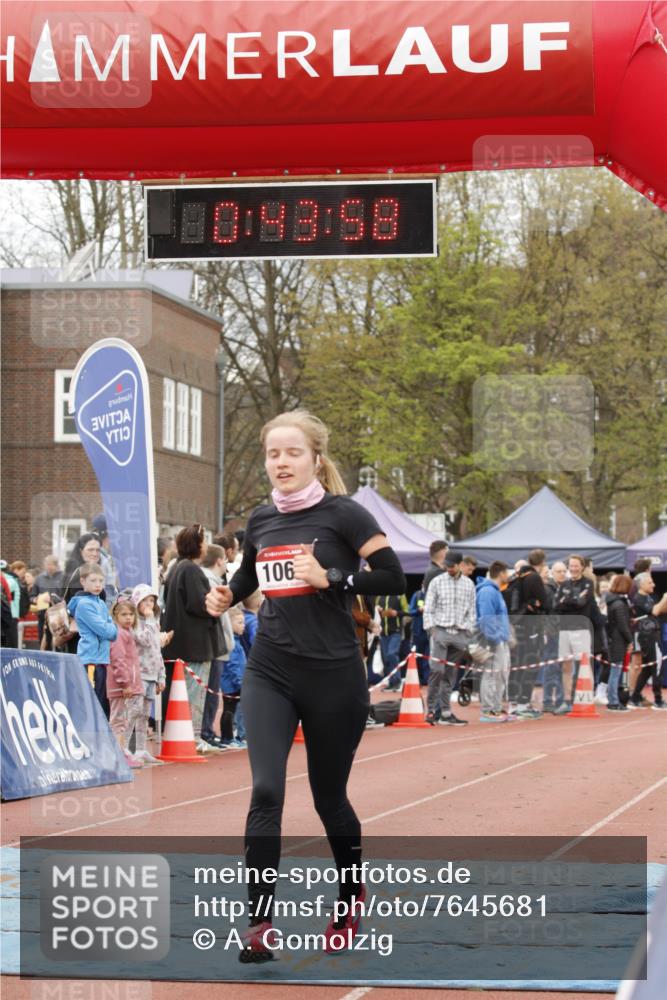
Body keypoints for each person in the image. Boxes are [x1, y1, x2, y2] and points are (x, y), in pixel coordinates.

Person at [204, 409, 405, 961]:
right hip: (271, 669)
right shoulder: (262, 518)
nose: (281, 462)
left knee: (328, 798)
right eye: (273, 454)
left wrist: (332, 578)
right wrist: (226, 594)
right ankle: (260, 923)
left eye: (293, 452)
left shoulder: (345, 514)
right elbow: (249, 574)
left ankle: (349, 897)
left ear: (316, 459)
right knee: (267, 790)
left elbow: (393, 576)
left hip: (334, 676)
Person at [162, 525, 226, 742]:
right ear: (196, 545)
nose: (206, 546)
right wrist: (217, 605)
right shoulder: (190, 570)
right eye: (203, 541)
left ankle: (183, 737)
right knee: (193, 693)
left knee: (181, 692)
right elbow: (200, 604)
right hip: (194, 645)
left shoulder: (177, 568)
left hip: (180, 643)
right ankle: (192, 738)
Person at [422, 549, 475, 726]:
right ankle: (431, 710)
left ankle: (445, 712)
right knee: (437, 671)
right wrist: (432, 630)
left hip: (460, 634)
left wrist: (468, 631)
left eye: (452, 566)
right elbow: (429, 607)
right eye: (447, 566)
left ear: (460, 565)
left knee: (450, 675)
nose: (449, 569)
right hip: (440, 631)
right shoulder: (437, 582)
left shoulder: (469, 584)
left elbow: (472, 610)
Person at [67, 562, 117, 717]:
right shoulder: (84, 605)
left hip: (101, 659)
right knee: (92, 704)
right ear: (82, 581)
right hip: (90, 660)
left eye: (101, 581)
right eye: (93, 580)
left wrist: (110, 628)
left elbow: (111, 630)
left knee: (102, 704)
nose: (98, 585)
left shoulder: (100, 603)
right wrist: (110, 627)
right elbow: (107, 630)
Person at [199, 544, 234, 752]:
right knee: (210, 692)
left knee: (211, 692)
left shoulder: (212, 581)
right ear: (219, 560)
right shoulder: (212, 583)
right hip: (216, 646)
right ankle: (206, 732)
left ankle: (207, 731)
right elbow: (219, 617)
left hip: (217, 645)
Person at [131, 584, 171, 763]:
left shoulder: (153, 623)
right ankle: (127, 749)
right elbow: (145, 640)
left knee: (145, 715)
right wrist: (149, 619)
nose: (149, 604)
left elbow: (156, 650)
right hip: (139, 674)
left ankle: (141, 750)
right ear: (137, 602)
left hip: (152, 676)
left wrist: (161, 676)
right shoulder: (135, 624)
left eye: (151, 601)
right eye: (145, 601)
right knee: (134, 712)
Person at [554, 554, 596, 714]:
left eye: (576, 566)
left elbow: (581, 603)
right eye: (571, 566)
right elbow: (556, 605)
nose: (573, 569)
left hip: (581, 629)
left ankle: (585, 698)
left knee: (584, 664)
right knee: (566, 665)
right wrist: (571, 600)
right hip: (564, 629)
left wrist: (567, 600)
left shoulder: (588, 583)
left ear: (582, 567)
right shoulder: (563, 584)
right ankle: (567, 701)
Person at [107, 596, 144, 768]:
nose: (128, 618)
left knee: (123, 720)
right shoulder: (119, 634)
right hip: (120, 687)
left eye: (131, 614)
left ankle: (121, 752)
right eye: (124, 614)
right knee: (118, 721)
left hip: (125, 686)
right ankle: (117, 755)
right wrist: (125, 683)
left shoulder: (127, 633)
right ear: (115, 616)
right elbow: (118, 660)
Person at [476, 561, 512, 722]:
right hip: (493, 640)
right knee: (491, 674)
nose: (508, 576)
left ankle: (496, 708)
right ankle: (488, 710)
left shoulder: (495, 591)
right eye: (507, 572)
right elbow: (486, 618)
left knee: (501, 675)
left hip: (500, 639)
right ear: (501, 573)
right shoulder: (488, 592)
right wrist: (494, 638)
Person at [629, 573, 667, 710]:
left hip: (651, 634)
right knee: (658, 666)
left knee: (647, 669)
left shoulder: (648, 597)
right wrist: (664, 598)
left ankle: (634, 697)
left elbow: (660, 610)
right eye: (650, 582)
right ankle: (658, 700)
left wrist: (664, 602)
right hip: (648, 635)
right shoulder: (639, 598)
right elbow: (655, 611)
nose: (653, 585)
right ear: (641, 584)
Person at [219, 605, 248, 749]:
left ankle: (231, 736)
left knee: (232, 709)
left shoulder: (237, 641)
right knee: (229, 710)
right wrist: (239, 682)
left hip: (234, 682)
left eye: (244, 622)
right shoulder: (232, 644)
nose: (243, 625)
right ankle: (227, 737)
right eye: (239, 622)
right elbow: (232, 665)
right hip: (230, 684)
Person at [605, 575, 634, 712]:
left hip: (615, 638)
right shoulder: (620, 604)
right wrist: (630, 639)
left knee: (615, 670)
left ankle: (614, 700)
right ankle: (613, 701)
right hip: (619, 640)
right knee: (615, 671)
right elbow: (622, 625)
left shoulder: (613, 601)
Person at [375, 592, 410, 690]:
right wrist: (378, 610)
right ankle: (391, 682)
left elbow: (407, 611)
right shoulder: (379, 596)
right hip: (383, 633)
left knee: (392, 654)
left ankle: (397, 681)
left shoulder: (400, 595)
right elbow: (375, 613)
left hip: (396, 631)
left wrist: (397, 613)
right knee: (386, 658)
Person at [30, 554, 64, 640]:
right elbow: (32, 596)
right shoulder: (39, 578)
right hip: (43, 614)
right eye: (47, 564)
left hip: (58, 613)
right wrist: (35, 599)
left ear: (56, 565)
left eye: (52, 565)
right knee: (42, 637)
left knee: (58, 638)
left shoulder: (63, 578)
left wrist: (53, 599)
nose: (49, 567)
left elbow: (66, 597)